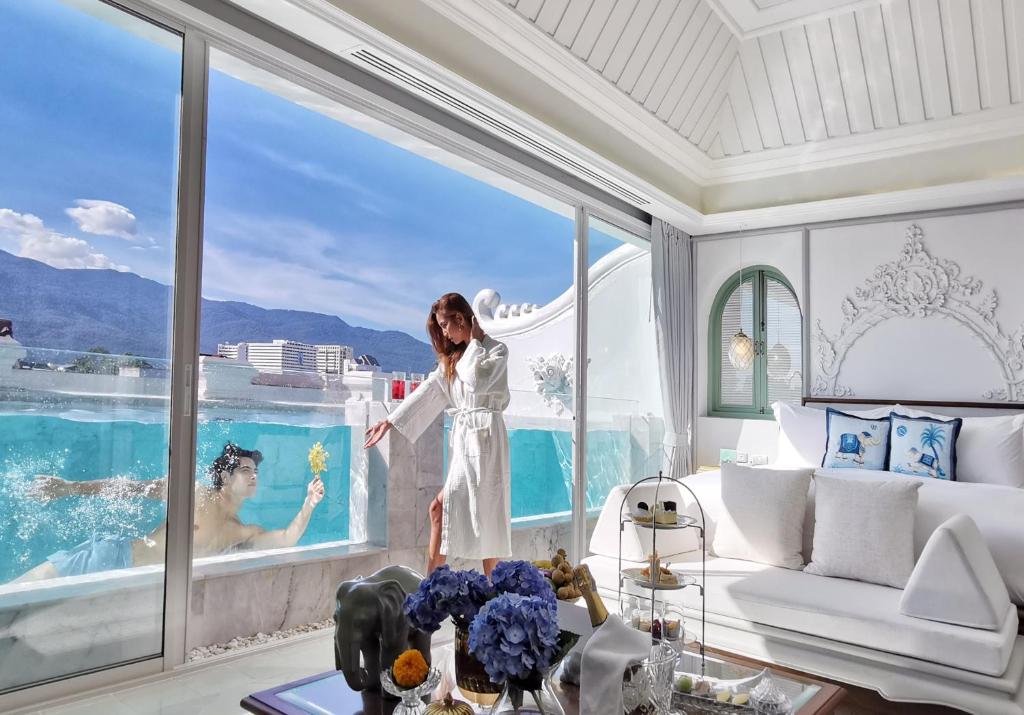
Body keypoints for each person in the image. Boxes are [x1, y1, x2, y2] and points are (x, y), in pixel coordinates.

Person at [12, 443, 325, 582]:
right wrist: (69, 488)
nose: (253, 475)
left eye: (255, 470)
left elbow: (286, 538)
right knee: (16, 595)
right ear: (225, 478)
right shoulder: (195, 493)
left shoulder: (242, 531)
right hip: (113, 556)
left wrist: (309, 503)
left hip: (139, 583)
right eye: (245, 470)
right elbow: (130, 488)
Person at [364, 293, 511, 578]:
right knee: (440, 511)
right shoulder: (453, 360)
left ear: (460, 319)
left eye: (445, 325)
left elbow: (480, 381)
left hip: (486, 440)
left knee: (484, 519)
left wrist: (477, 343)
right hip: (465, 440)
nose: (444, 333)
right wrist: (391, 420)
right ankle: (432, 588)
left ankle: (489, 595)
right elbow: (430, 390)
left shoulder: (496, 350)